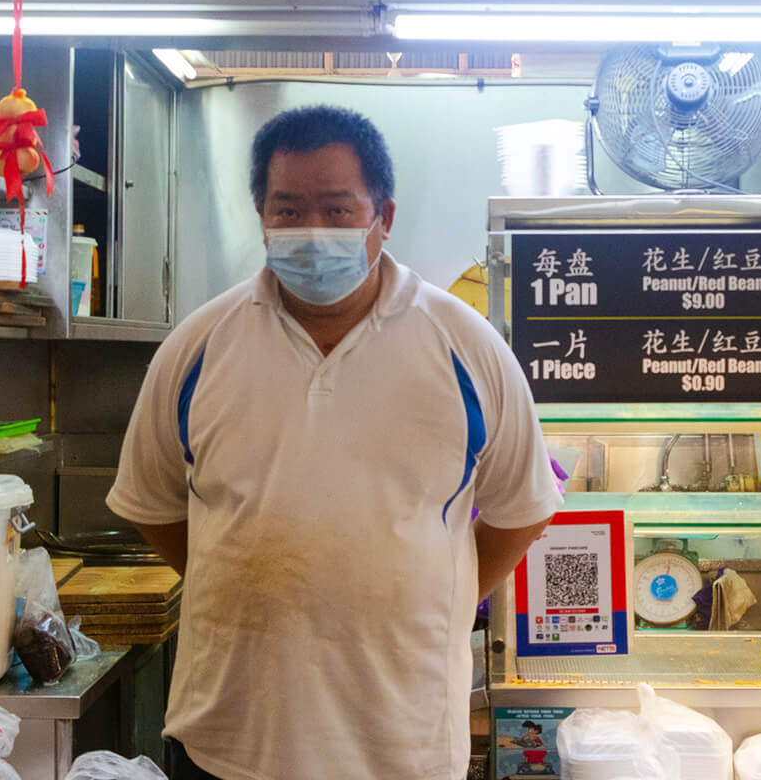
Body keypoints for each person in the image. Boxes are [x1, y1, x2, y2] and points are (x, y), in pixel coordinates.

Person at [109, 106, 561, 780]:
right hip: (230, 740)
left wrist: (429, 593)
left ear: (384, 216)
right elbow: (151, 503)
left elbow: (520, 513)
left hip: (402, 746)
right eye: (288, 211)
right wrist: (241, 576)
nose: (312, 232)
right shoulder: (198, 347)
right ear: (260, 215)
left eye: (338, 209)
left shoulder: (467, 347)